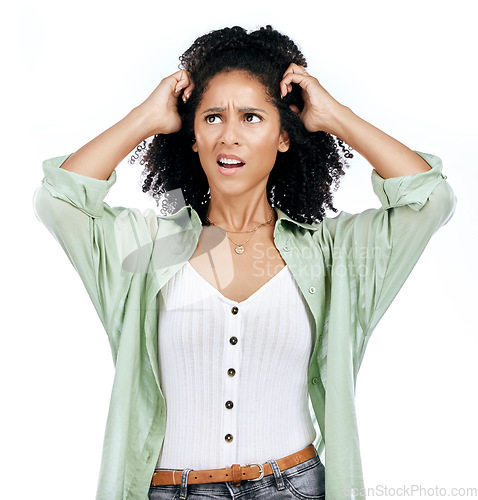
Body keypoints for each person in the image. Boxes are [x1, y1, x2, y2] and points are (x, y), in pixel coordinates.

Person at [33, 25, 456, 500]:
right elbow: (58, 200)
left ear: (283, 136)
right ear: (192, 135)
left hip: (295, 487)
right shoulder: (147, 248)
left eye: (252, 117)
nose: (228, 136)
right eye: (212, 117)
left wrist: (337, 117)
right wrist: (145, 117)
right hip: (173, 491)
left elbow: (430, 199)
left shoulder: (335, 254)